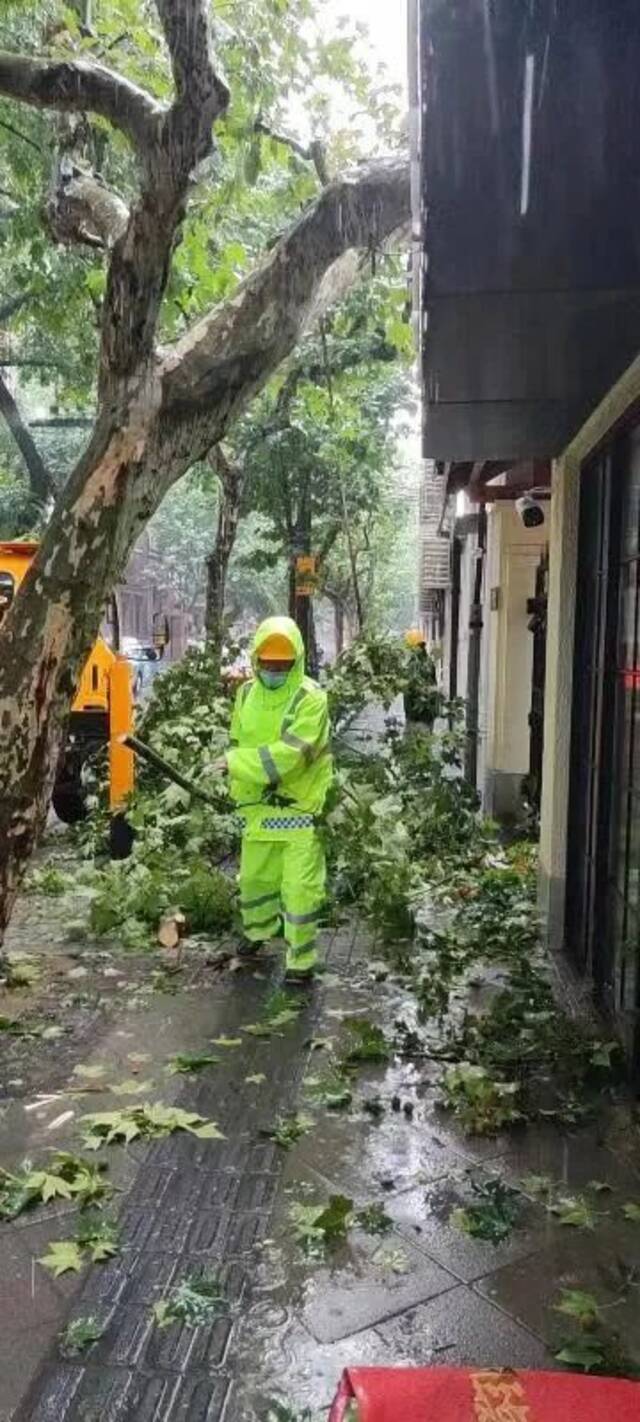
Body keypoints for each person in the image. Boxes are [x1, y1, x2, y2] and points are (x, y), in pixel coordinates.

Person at [216, 615, 333, 982]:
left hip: (301, 809)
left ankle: (300, 961)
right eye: (268, 664)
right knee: (254, 881)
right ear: (256, 660)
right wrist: (237, 788)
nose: (274, 671)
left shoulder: (310, 698)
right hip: (259, 811)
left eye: (283, 665)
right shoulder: (246, 694)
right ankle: (257, 933)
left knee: (299, 890)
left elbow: (290, 755)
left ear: (296, 661)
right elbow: (238, 738)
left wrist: (234, 763)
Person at [403, 628, 441, 728]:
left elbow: (413, 690)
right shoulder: (428, 661)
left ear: (413, 647)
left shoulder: (415, 665)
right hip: (427, 716)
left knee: (416, 742)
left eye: (408, 647)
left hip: (417, 717)